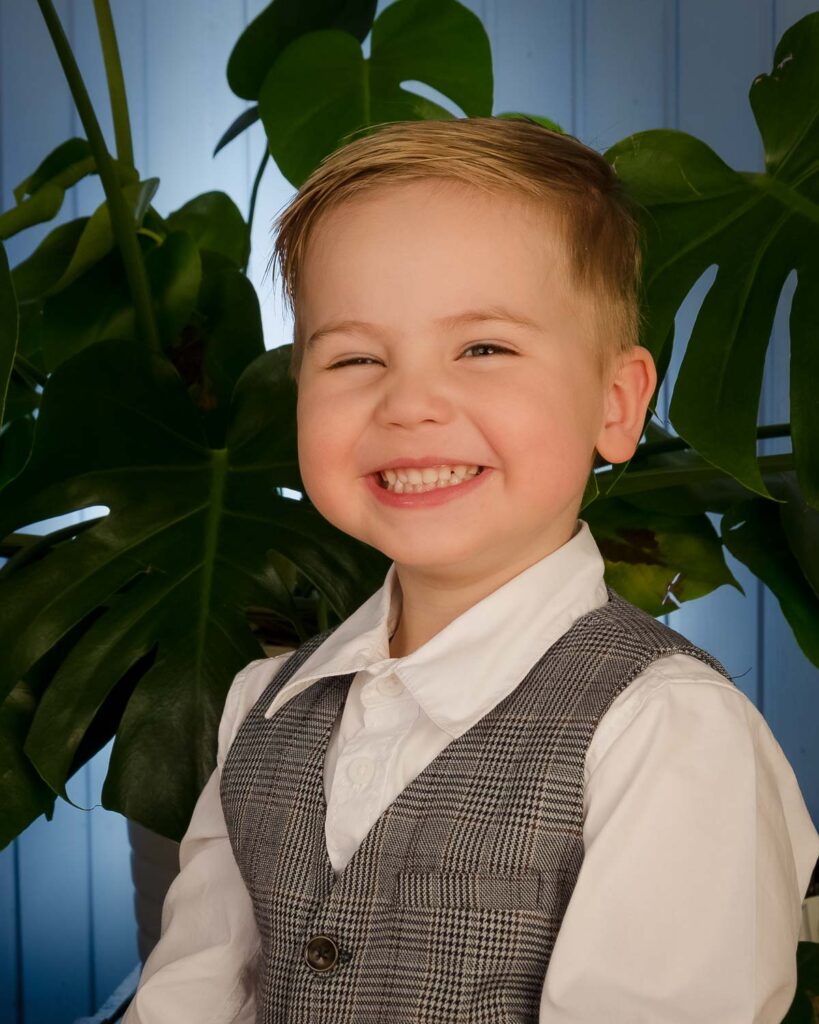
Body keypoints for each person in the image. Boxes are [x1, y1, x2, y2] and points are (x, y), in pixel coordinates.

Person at [123, 116, 819, 1023]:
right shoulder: (262, 703)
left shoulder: (665, 731)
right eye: (354, 357)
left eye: (482, 348)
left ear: (615, 405)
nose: (409, 403)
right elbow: (192, 994)